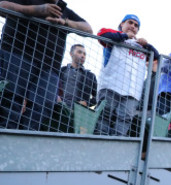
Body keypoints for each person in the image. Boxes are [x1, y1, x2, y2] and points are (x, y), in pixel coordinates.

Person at [0, 0, 91, 130]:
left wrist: (66, 22)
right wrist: (37, 10)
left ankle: (27, 137)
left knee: (44, 104)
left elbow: (88, 28)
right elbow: (3, 6)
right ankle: (7, 134)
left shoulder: (63, 10)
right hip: (18, 55)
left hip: (50, 67)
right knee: (12, 97)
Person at [95, 14, 159, 136]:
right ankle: (99, 141)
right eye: (130, 22)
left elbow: (156, 56)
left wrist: (147, 45)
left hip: (132, 92)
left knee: (125, 119)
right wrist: (124, 36)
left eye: (136, 25)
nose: (133, 26)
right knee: (105, 115)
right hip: (111, 86)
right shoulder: (115, 37)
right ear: (121, 24)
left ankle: (118, 145)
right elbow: (101, 33)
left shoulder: (141, 47)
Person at [58, 44, 97, 109]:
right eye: (79, 52)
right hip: (58, 107)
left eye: (84, 54)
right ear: (71, 54)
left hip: (78, 112)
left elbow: (97, 97)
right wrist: (56, 97)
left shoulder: (90, 76)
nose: (82, 56)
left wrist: (86, 102)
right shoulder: (61, 70)